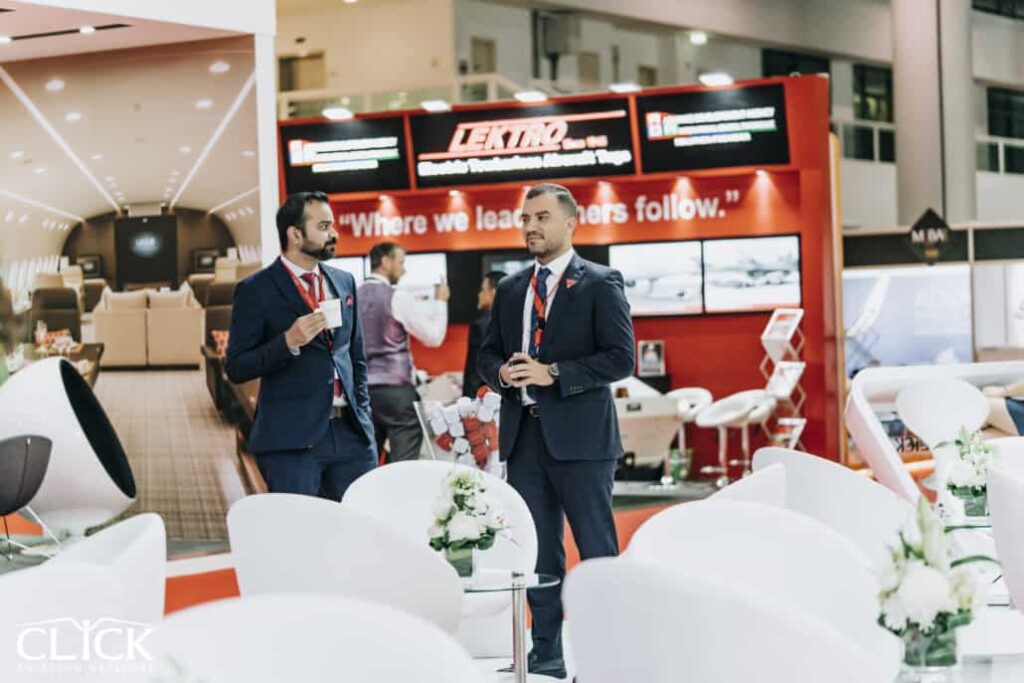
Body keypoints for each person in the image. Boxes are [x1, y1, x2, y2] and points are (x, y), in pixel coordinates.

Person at [478, 183, 635, 679]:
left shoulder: (600, 283)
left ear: (570, 223)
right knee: (540, 552)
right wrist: (502, 374)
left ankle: (608, 653)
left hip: (583, 442)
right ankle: (546, 652)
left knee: (596, 550)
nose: (531, 227)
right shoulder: (510, 289)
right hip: (524, 439)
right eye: (525, 218)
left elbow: (621, 358)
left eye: (541, 217)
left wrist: (554, 374)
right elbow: (486, 355)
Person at [225, 191, 376, 500]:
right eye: (323, 226)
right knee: (299, 527)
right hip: (291, 443)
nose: (334, 234)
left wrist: (364, 414)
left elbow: (355, 357)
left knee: (361, 521)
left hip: (351, 436)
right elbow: (237, 367)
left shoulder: (344, 281)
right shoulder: (256, 290)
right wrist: (287, 342)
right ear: (295, 234)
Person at [358, 241, 449, 463]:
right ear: (385, 262)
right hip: (396, 392)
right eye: (401, 263)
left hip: (361, 392)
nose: (404, 270)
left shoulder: (350, 297)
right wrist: (440, 302)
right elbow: (434, 337)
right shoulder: (396, 296)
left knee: (365, 463)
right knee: (403, 464)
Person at [462, 270, 506, 398]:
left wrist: (467, 400)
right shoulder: (519, 321)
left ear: (493, 292)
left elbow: (474, 373)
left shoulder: (481, 326)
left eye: (482, 290)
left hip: (485, 398)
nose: (479, 294)